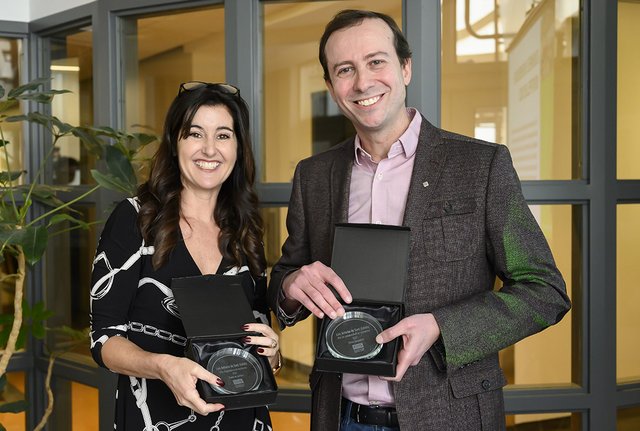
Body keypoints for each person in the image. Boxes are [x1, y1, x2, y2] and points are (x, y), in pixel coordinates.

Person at [268, 9, 571, 431]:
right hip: (340, 417)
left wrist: (441, 328)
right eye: (345, 70)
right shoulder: (314, 175)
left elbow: (545, 291)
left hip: (450, 415)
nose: (362, 82)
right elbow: (287, 274)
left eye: (377, 62)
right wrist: (289, 286)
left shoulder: (481, 166)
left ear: (405, 68)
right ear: (331, 87)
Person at [90, 81, 279, 430]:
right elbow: (104, 339)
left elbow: (256, 323)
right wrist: (163, 366)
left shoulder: (246, 227)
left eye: (224, 135)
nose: (210, 149)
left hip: (242, 418)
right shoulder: (135, 219)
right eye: (195, 134)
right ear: (174, 144)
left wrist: (271, 348)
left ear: (239, 148)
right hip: (155, 417)